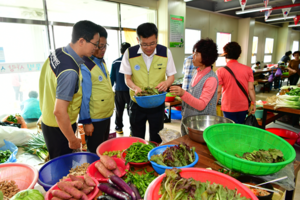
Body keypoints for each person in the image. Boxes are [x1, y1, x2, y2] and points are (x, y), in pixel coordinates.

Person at [39, 20, 100, 159]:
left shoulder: (59, 52)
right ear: (81, 41)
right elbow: (59, 112)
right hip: (59, 127)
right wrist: (72, 139)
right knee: (63, 168)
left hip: (49, 120)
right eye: (95, 44)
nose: (96, 48)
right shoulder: (69, 71)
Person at [120, 23, 177, 143]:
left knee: (156, 137)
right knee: (137, 137)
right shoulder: (129, 53)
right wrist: (135, 87)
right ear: (138, 40)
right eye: (144, 44)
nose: (149, 48)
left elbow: (171, 76)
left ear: (157, 38)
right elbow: (127, 79)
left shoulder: (165, 52)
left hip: (157, 103)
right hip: (137, 103)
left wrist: (166, 83)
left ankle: (153, 159)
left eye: (152, 43)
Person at [170, 39, 219, 136]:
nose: (193, 57)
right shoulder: (197, 71)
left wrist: (183, 93)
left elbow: (201, 105)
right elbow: (193, 94)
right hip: (190, 119)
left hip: (201, 126)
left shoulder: (211, 79)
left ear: (205, 57)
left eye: (196, 54)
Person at [79, 26, 114, 153]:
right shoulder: (85, 65)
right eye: (99, 46)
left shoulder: (102, 61)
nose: (102, 50)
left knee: (103, 150)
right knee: (94, 152)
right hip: (94, 120)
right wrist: (87, 122)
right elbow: (83, 97)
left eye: (105, 46)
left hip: (105, 115)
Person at [216, 42, 256, 124]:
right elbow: (251, 88)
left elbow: (218, 91)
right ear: (238, 55)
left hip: (228, 106)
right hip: (243, 106)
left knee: (230, 129)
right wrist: (253, 104)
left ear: (225, 55)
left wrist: (214, 105)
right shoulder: (248, 69)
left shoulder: (220, 71)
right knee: (240, 127)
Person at [110, 42, 131, 134]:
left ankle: (119, 127)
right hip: (130, 90)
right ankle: (132, 128)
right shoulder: (132, 62)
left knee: (119, 109)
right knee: (131, 110)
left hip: (118, 90)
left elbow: (112, 78)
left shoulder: (115, 62)